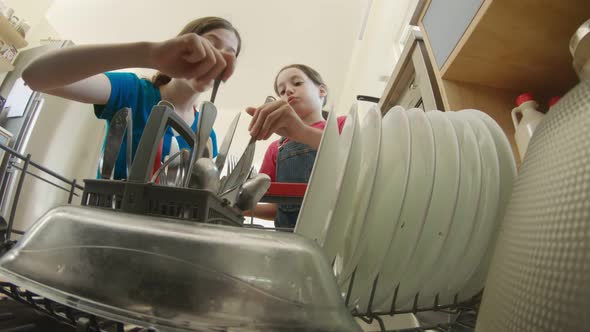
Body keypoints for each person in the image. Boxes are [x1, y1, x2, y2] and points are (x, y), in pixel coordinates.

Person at [22, 17, 241, 180]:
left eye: (229, 53)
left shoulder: (207, 134)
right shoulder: (133, 91)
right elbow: (35, 76)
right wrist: (151, 54)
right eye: (211, 44)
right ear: (185, 45)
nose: (218, 57)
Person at [245, 64, 346, 228]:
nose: (289, 91)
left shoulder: (341, 125)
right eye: (282, 91)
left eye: (297, 83)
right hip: (290, 239)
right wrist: (243, 210)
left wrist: (301, 131)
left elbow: (351, 155)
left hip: (337, 232)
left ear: (322, 91)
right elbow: (275, 208)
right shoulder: (275, 148)